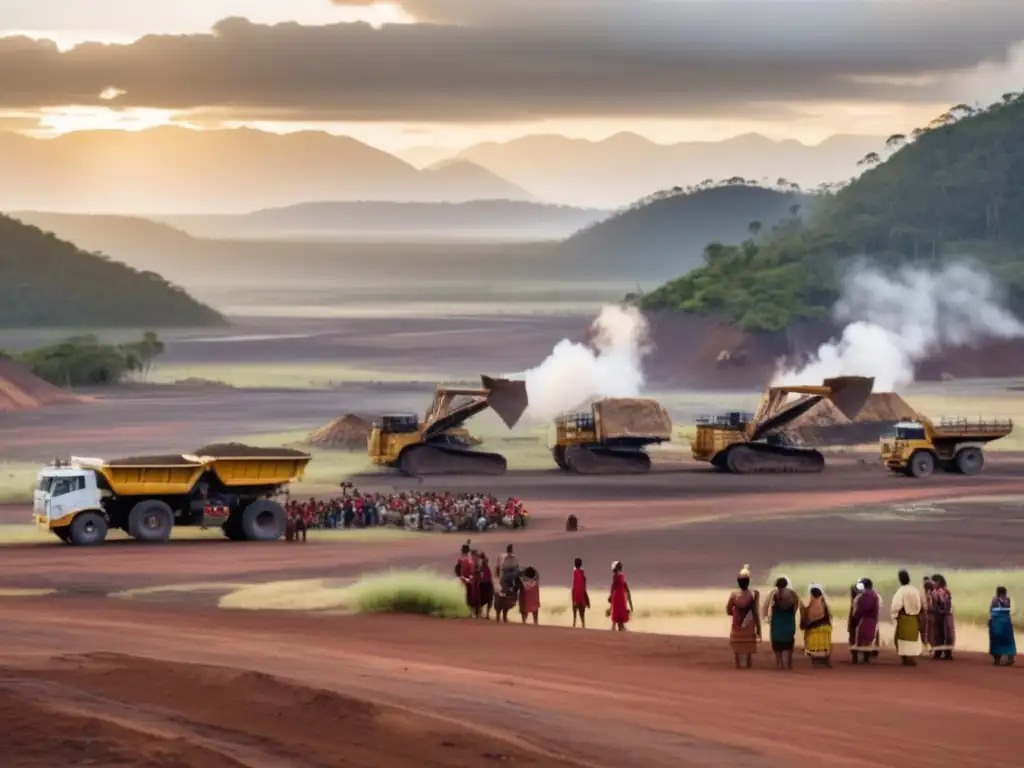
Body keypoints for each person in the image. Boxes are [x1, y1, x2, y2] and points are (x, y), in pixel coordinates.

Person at [725, 564, 760, 668]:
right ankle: (748, 664)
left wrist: (736, 614)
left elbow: (728, 610)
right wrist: (758, 628)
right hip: (749, 624)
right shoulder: (753, 594)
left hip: (737, 623)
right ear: (748, 583)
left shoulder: (734, 595)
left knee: (737, 646)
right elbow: (755, 612)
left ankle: (738, 665)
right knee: (748, 646)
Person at [763, 576, 798, 670]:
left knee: (777, 642)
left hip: (777, 622)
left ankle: (780, 664)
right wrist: (791, 615)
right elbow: (796, 606)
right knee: (789, 641)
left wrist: (767, 617)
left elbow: (767, 606)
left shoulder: (774, 594)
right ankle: (789, 663)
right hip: (788, 620)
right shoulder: (792, 594)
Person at [890, 569, 924, 665]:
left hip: (904, 618)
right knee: (913, 638)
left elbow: (896, 605)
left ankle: (905, 658)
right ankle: (911, 657)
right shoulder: (915, 590)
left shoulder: (901, 591)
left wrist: (895, 614)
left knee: (903, 639)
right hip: (914, 619)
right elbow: (920, 604)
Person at [849, 578, 881, 664]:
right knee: (869, 639)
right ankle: (866, 657)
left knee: (855, 638)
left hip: (860, 621)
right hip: (873, 622)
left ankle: (855, 656)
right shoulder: (876, 596)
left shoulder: (860, 597)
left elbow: (855, 612)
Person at [800, 584, 832, 667]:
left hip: (815, 629)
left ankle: (816, 661)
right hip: (826, 628)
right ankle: (825, 661)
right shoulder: (823, 603)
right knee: (825, 645)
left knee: (811, 638)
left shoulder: (811, 605)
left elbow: (808, 618)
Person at [928, 573, 955, 660]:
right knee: (947, 634)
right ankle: (947, 653)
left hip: (940, 616)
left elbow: (939, 604)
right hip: (947, 616)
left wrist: (932, 610)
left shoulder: (936, 592)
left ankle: (938, 653)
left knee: (939, 634)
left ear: (938, 582)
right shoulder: (947, 591)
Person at [989, 586, 1016, 666]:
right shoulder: (1007, 599)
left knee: (997, 640)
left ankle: (997, 659)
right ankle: (1010, 658)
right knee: (1008, 641)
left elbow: (991, 610)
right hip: (1006, 622)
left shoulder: (995, 600)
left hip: (997, 623)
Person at [609, 561, 633, 631]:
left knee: (616, 609)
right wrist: (629, 596)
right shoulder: (622, 576)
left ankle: (614, 626)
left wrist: (611, 594)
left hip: (617, 595)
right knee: (621, 609)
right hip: (622, 595)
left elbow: (613, 586)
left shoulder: (615, 576)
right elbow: (626, 586)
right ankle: (621, 626)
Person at [457, 544, 480, 617]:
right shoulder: (468, 559)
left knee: (468, 595)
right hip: (468, 579)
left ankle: (470, 612)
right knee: (470, 595)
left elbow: (459, 569)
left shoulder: (463, 559)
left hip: (467, 579)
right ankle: (471, 612)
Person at [571, 558, 590, 628]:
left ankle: (574, 623)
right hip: (581, 594)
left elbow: (576, 585)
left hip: (576, 593)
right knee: (582, 612)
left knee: (575, 609)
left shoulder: (576, 572)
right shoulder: (581, 573)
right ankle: (583, 624)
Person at [478, 552, 494, 620]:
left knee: (489, 600)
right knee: (482, 600)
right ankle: (481, 614)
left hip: (487, 584)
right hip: (483, 584)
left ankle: (487, 614)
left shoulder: (486, 568)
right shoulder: (481, 567)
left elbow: (490, 577)